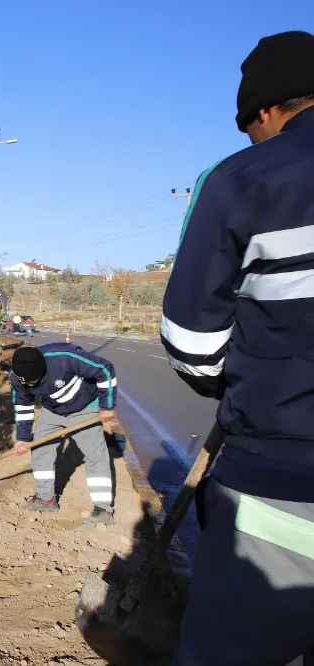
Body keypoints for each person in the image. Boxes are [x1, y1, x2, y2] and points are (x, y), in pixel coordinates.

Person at [162, 30, 314, 666]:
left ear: (265, 111)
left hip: (282, 483)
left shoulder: (243, 179)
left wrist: (247, 379)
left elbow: (192, 345)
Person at [10, 344, 117, 525]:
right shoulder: (16, 377)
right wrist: (23, 437)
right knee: (40, 449)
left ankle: (103, 509)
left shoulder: (65, 357)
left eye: (29, 381)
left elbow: (105, 369)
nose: (24, 384)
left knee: (95, 456)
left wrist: (107, 406)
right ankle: (46, 499)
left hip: (85, 408)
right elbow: (23, 405)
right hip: (53, 410)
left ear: (40, 371)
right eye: (22, 381)